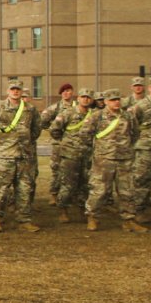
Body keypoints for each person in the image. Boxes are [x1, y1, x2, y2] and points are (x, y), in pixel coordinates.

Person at [80, 89, 148, 232]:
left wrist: (126, 149)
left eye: (118, 99)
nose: (116, 102)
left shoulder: (128, 116)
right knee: (99, 190)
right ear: (105, 102)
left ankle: (128, 220)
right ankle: (92, 217)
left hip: (125, 159)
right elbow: (85, 134)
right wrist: (98, 149)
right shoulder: (97, 116)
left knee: (127, 191)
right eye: (112, 100)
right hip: (104, 159)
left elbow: (135, 134)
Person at [0, 81, 41, 232]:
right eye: (13, 89)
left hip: (24, 156)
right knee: (0, 190)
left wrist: (26, 143)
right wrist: (1, 146)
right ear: (7, 91)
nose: (16, 92)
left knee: (24, 190)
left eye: (18, 89)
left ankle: (24, 220)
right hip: (4, 157)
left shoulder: (30, 109)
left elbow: (36, 130)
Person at [49, 89, 95, 224]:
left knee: (85, 184)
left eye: (88, 97)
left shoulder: (94, 115)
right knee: (68, 184)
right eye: (83, 97)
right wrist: (66, 143)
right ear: (78, 98)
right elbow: (54, 129)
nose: (85, 99)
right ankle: (63, 210)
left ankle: (82, 209)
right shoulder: (68, 112)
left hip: (87, 155)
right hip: (70, 155)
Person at [127, 76, 151, 222]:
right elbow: (130, 125)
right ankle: (138, 211)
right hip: (147, 151)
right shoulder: (140, 105)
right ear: (149, 88)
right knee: (141, 182)